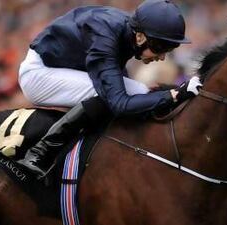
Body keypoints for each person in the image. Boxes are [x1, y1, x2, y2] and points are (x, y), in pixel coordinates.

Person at [17, 0, 202, 178]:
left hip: (63, 67)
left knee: (135, 93)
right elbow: (119, 103)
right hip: (39, 75)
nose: (162, 57)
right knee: (132, 93)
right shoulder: (105, 36)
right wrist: (174, 95)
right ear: (140, 37)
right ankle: (40, 153)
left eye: (169, 48)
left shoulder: (129, 31)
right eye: (160, 47)